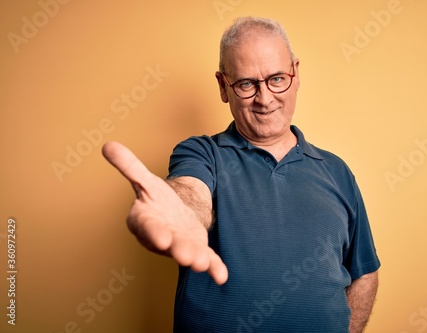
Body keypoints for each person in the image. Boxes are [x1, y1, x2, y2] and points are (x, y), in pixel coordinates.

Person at [103, 16, 380, 333]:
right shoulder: (203, 154)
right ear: (223, 86)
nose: (265, 99)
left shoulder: (337, 171)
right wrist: (180, 212)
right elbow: (191, 193)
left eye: (277, 79)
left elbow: (364, 271)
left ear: (296, 73)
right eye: (247, 84)